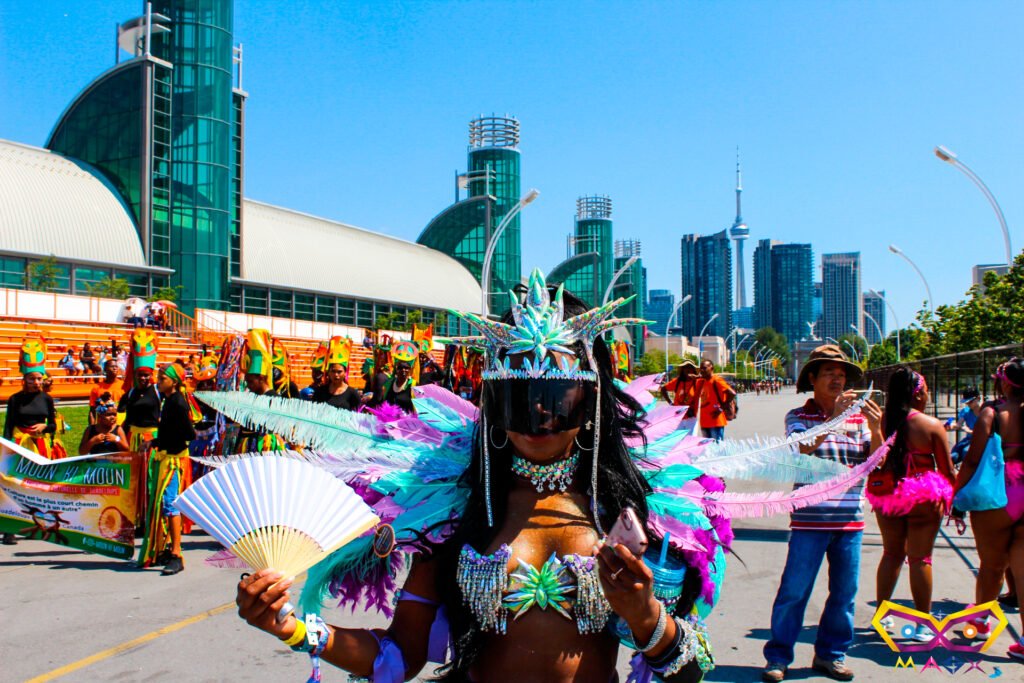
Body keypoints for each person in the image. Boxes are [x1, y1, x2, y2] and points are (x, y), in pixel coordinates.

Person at [233, 271, 721, 682]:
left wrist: (644, 615)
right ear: (492, 405)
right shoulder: (457, 507)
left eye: (558, 398)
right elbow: (398, 658)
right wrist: (294, 628)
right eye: (517, 397)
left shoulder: (636, 509)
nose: (538, 416)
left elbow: (691, 670)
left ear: (591, 401)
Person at [763, 344, 883, 682]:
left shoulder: (859, 419)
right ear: (812, 378)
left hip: (850, 522)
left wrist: (876, 430)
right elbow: (799, 449)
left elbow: (875, 463)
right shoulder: (797, 417)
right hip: (809, 521)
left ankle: (831, 655)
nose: (837, 378)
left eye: (841, 373)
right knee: (794, 592)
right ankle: (778, 657)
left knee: (844, 595)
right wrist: (834, 420)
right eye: (829, 372)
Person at [865, 367, 955, 641]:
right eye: (925, 389)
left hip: (887, 495)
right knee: (920, 559)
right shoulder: (930, 425)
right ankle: (922, 625)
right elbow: (948, 472)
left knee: (891, 555)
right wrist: (956, 500)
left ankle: (881, 616)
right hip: (923, 499)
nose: (927, 394)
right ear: (917, 393)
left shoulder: (882, 422)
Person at [955, 358, 1024, 660]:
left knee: (992, 565)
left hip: (999, 493)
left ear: (1005, 383)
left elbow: (971, 460)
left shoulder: (992, 412)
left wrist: (956, 498)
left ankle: (981, 624)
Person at [139, 362, 197, 574]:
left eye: (162, 378)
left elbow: (189, 434)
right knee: (164, 504)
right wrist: (154, 442)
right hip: (166, 455)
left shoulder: (178, 404)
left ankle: (176, 554)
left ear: (174, 381)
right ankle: (166, 548)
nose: (158, 381)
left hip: (173, 460)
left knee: (170, 505)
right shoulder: (169, 401)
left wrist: (163, 441)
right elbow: (169, 431)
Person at [689, 359, 735, 441]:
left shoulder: (716, 380)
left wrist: (722, 408)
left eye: (704, 368)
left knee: (717, 447)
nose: (702, 370)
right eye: (701, 368)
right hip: (704, 421)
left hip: (716, 421)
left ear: (711, 368)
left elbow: (732, 393)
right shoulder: (701, 381)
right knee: (708, 448)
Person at [312, 337, 361, 410]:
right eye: (333, 371)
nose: (336, 375)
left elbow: (358, 414)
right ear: (328, 372)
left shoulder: (352, 394)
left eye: (339, 372)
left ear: (345, 373)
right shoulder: (320, 391)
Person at [947, 388, 981, 464]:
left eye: (970, 402)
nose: (969, 404)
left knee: (966, 452)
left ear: (978, 398)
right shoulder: (966, 411)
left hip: (982, 441)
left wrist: (969, 431)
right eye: (967, 403)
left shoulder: (985, 412)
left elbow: (985, 432)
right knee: (953, 456)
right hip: (969, 440)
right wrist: (950, 426)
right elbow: (959, 424)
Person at [89, 360, 123, 424]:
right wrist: (92, 428)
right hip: (103, 425)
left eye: (116, 366)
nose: (115, 368)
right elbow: (92, 410)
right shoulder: (96, 388)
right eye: (112, 366)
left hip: (120, 424)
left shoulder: (124, 386)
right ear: (105, 369)